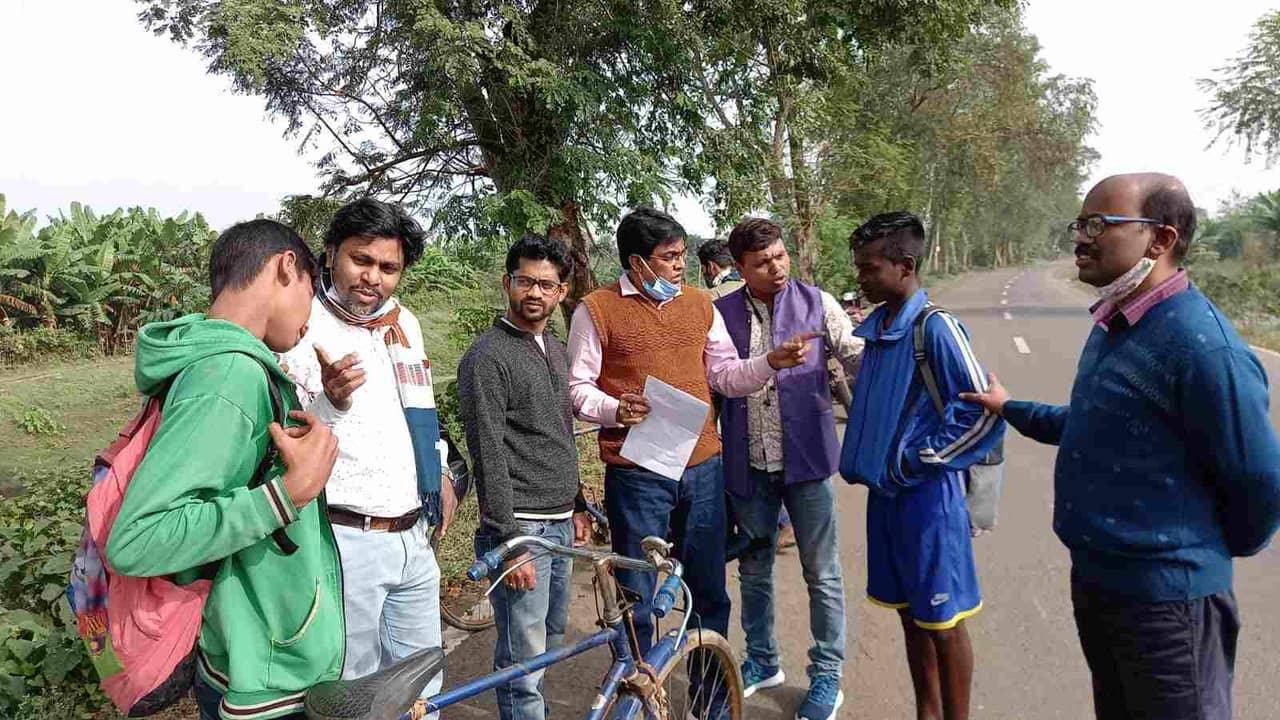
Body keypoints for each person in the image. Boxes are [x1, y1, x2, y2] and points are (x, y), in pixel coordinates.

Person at [961, 173, 1280, 720]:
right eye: (1079, 224)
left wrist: (1190, 559)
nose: (1080, 238)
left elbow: (1259, 483)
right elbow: (1091, 425)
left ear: (1161, 239)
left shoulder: (1202, 348)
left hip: (1168, 606)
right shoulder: (1117, 322)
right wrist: (1009, 408)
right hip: (1103, 588)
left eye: (1098, 225)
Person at [107, 220, 342, 720]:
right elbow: (138, 538)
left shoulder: (216, 362)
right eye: (311, 290)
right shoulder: (230, 374)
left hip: (248, 650)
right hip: (260, 677)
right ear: (285, 266)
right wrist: (287, 494)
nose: (309, 319)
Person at [567, 206, 818, 661]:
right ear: (637, 262)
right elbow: (577, 388)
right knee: (637, 595)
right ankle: (640, 692)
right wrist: (614, 408)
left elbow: (723, 375)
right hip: (637, 475)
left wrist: (768, 364)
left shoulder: (699, 304)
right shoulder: (596, 310)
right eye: (669, 256)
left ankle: (712, 696)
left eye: (682, 254)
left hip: (702, 468)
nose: (681, 264)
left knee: (708, 590)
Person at [280, 199, 455, 704]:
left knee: (423, 684)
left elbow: (419, 413)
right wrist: (330, 400)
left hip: (412, 536)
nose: (373, 278)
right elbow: (288, 433)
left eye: (388, 268)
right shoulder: (302, 324)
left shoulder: (405, 325)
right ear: (332, 253)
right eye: (361, 260)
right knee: (354, 690)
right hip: (343, 537)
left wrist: (439, 471)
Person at [839, 211, 1004, 720]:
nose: (860, 279)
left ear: (905, 265)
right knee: (911, 616)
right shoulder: (880, 329)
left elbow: (983, 413)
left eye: (869, 269)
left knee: (944, 620)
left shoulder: (936, 328)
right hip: (885, 500)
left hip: (927, 502)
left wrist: (915, 461)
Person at [715, 217, 862, 720]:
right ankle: (761, 660)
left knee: (822, 574)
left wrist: (904, 355)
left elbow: (854, 352)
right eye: (761, 262)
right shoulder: (720, 314)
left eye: (779, 255)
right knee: (754, 571)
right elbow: (715, 379)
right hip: (748, 462)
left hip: (809, 461)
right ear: (740, 268)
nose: (776, 267)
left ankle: (827, 676)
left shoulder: (819, 303)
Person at [459, 234, 592, 720]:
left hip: (558, 524)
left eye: (546, 284)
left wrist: (577, 502)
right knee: (521, 663)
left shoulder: (553, 349)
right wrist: (510, 541)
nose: (534, 292)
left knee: (550, 641)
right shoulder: (488, 357)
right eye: (525, 281)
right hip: (524, 529)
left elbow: (560, 429)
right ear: (507, 283)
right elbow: (487, 451)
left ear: (560, 292)